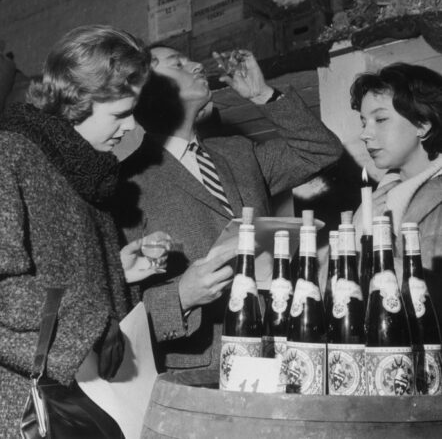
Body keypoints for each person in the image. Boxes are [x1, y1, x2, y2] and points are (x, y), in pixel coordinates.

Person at [117, 46, 344, 372]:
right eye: (178, 63)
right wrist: (182, 295)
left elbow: (320, 150)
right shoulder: (126, 185)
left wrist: (262, 94)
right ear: (145, 89)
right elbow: (121, 309)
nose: (197, 64)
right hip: (199, 376)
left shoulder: (239, 153)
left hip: (276, 352)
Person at [0, 24, 161, 438]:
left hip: (91, 406)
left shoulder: (87, 174)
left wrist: (118, 275)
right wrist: (91, 321)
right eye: (120, 114)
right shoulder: (6, 155)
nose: (130, 128)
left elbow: (60, 275)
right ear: (76, 100)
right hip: (29, 410)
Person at [351, 62, 442, 325]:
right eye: (363, 122)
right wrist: (355, 234)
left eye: (380, 119)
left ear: (422, 124)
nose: (365, 134)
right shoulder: (379, 198)